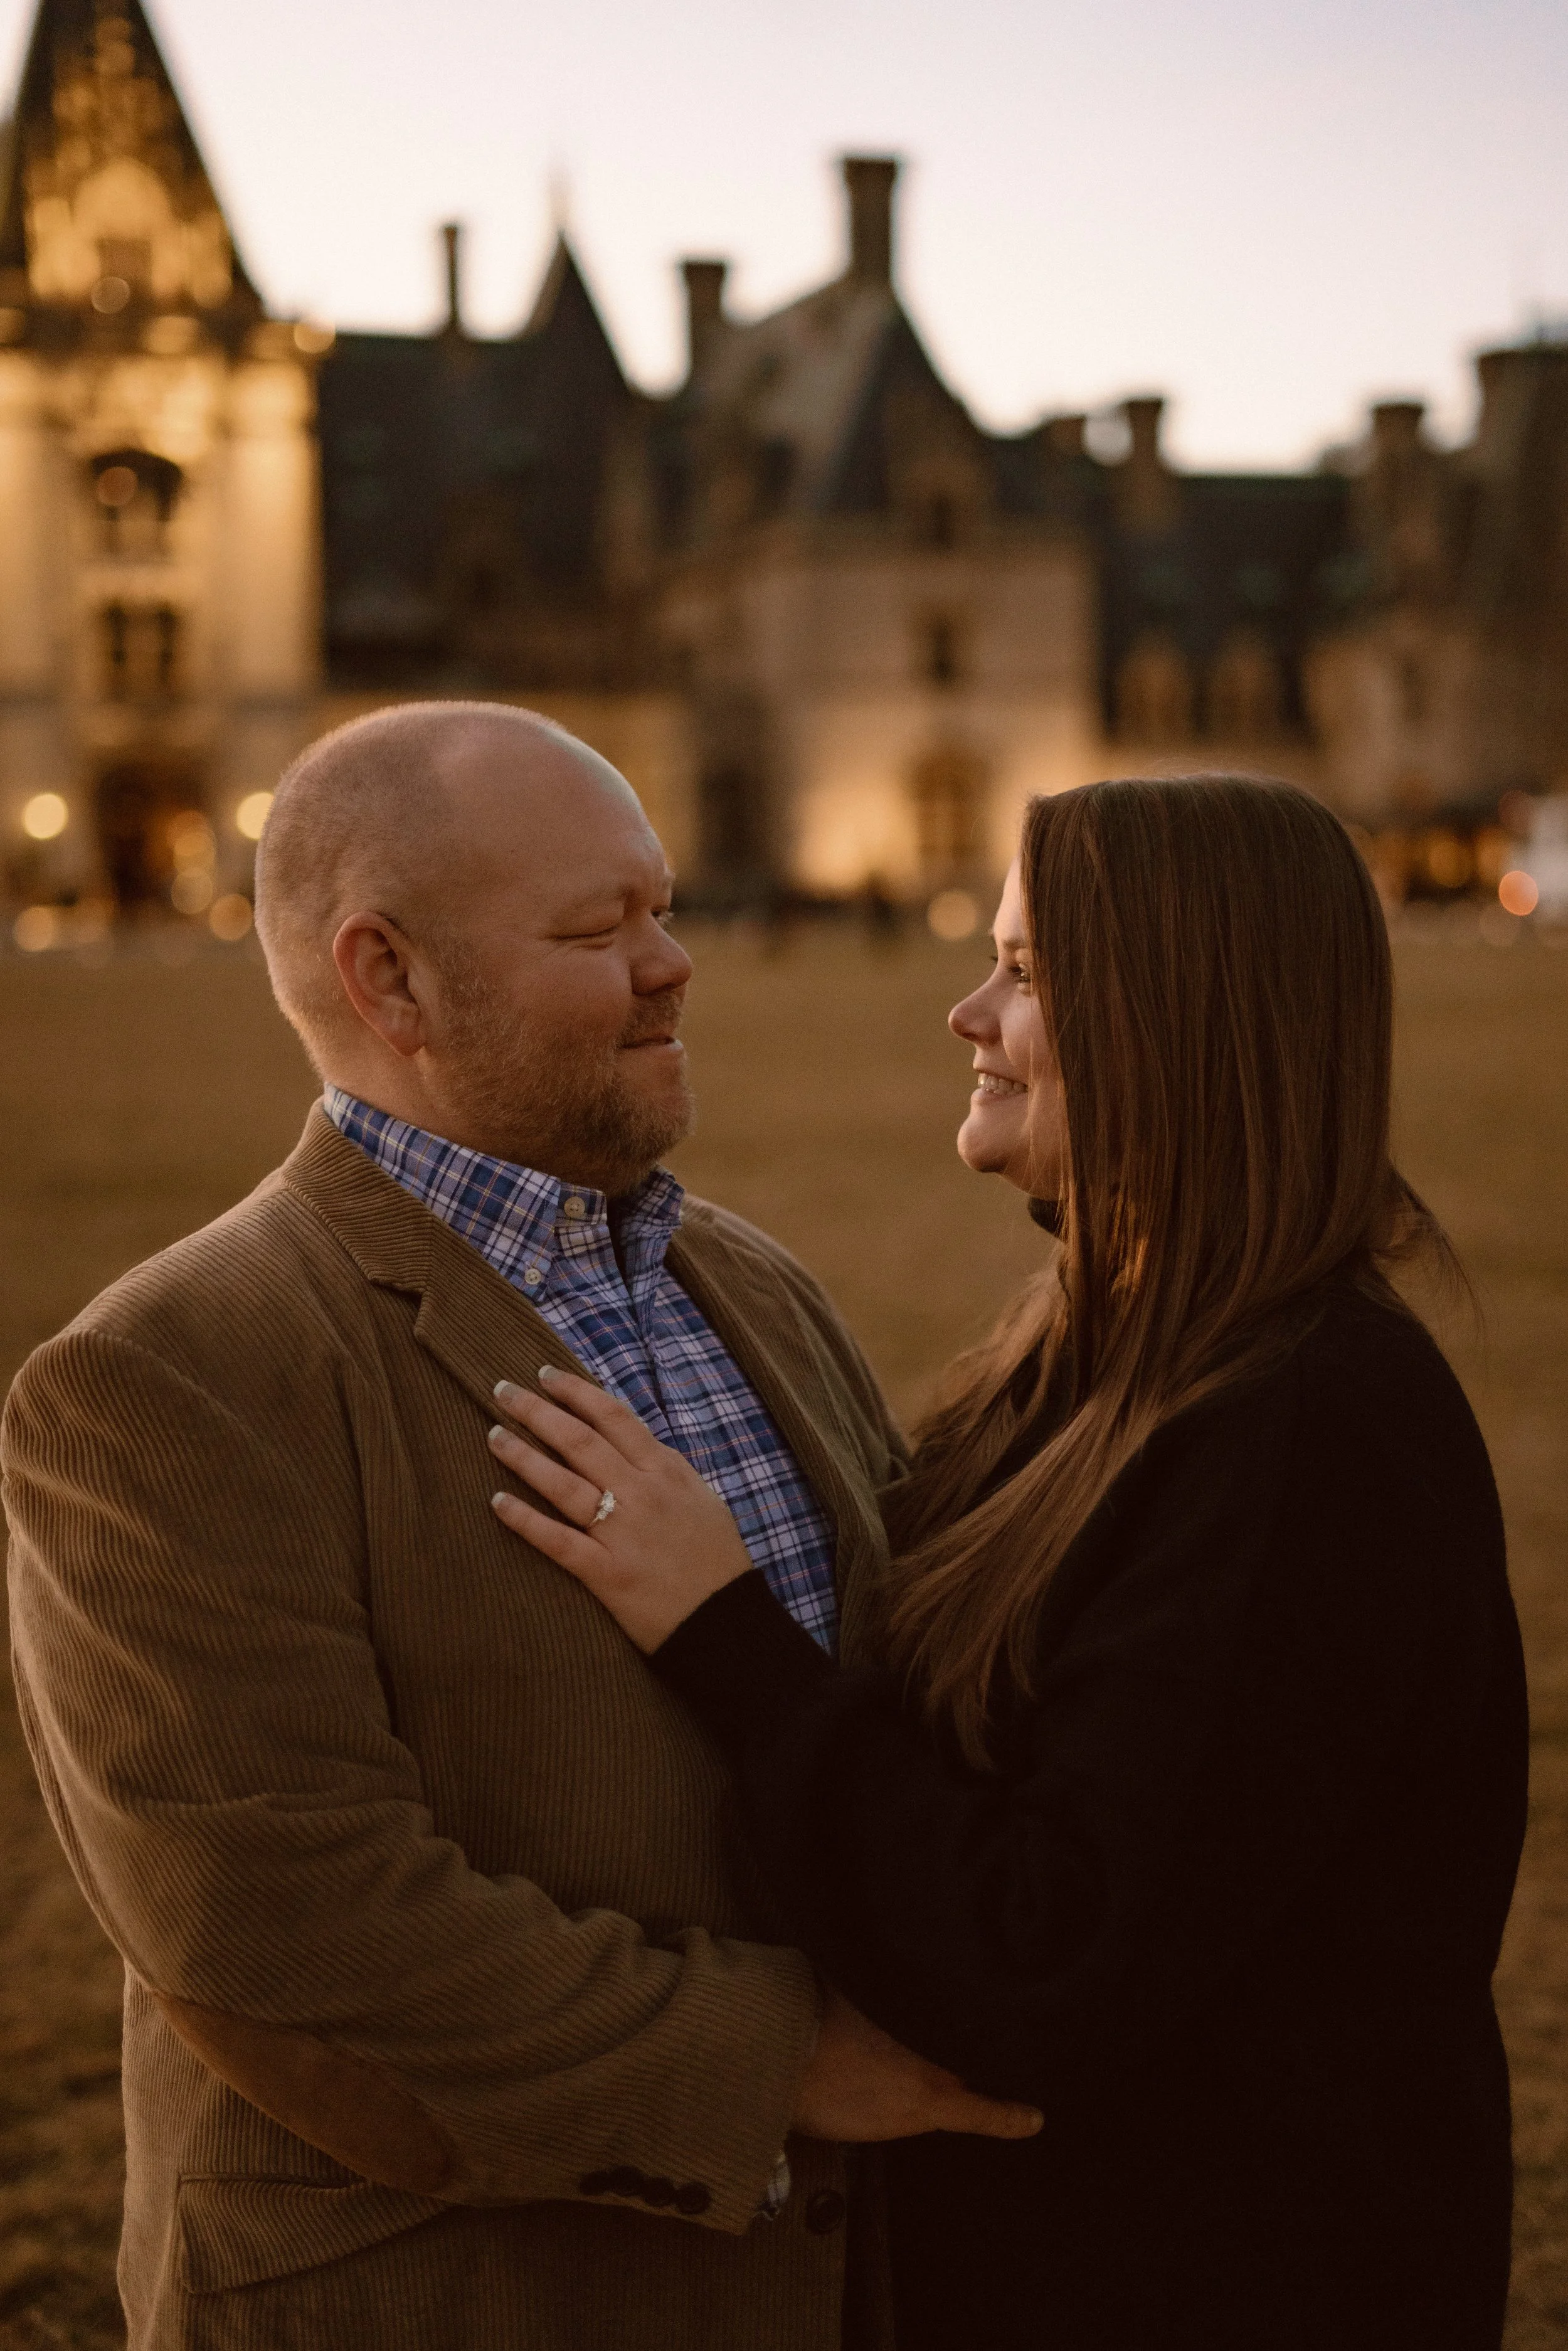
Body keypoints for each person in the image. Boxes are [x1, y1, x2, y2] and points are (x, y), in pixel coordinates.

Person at [2, 703, 1038, 2351]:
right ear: (389, 978)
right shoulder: (165, 1377)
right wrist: (785, 2059)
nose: (671, 964)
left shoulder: (753, 1284)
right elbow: (285, 1930)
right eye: (595, 928)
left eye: (661, 908)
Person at [487, 773, 1530, 2351]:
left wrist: (720, 1627)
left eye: (1027, 972)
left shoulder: (1307, 1425)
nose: (966, 1012)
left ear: (1180, 1017)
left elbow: (1041, 1955)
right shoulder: (1087, 1349)